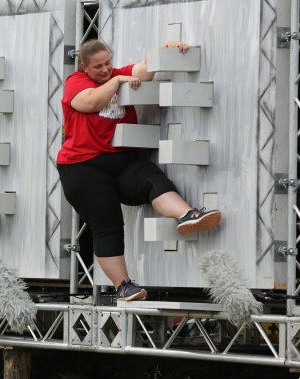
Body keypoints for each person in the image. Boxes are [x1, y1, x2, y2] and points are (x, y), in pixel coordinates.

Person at [56, 40, 221, 301]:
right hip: (82, 167)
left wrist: (163, 50)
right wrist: (117, 81)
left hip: (119, 161)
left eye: (108, 63)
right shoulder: (76, 82)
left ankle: (187, 215)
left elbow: (144, 70)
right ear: (84, 67)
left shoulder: (117, 73)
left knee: (150, 177)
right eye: (97, 66)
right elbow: (90, 103)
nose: (105, 69)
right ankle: (124, 286)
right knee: (108, 224)